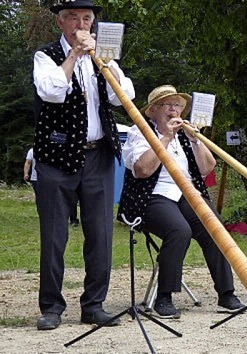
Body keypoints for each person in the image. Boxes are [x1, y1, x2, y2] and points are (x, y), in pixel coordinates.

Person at [33, 0, 135, 330]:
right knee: (54, 235)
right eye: (74, 18)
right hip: (56, 157)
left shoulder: (101, 58)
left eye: (86, 19)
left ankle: (94, 304)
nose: (81, 23)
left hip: (98, 155)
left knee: (101, 233)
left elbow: (123, 97)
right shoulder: (46, 56)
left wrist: (106, 62)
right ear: (62, 23)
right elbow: (50, 91)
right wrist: (74, 54)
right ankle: (51, 307)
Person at [118, 85, 246, 318]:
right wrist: (165, 137)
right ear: (154, 110)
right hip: (151, 196)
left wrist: (196, 140)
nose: (174, 110)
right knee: (179, 230)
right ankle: (164, 297)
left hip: (186, 194)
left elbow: (208, 168)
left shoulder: (185, 135)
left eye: (178, 106)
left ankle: (226, 293)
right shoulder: (140, 131)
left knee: (214, 226)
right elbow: (142, 170)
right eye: (169, 105)